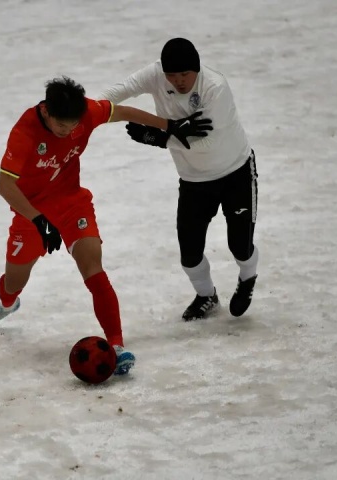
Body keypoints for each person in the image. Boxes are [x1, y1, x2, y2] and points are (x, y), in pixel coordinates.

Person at [0, 76, 211, 375]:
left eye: (73, 125)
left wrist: (170, 126)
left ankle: (117, 346)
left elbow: (122, 112)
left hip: (73, 204)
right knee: (13, 283)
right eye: (61, 126)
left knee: (94, 269)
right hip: (30, 211)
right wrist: (37, 219)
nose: (68, 131)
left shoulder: (86, 112)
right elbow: (4, 185)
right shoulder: (25, 132)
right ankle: (7, 304)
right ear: (45, 111)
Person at [100, 37, 259, 321]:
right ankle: (206, 296)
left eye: (185, 74)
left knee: (240, 246)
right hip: (193, 180)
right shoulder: (156, 74)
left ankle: (247, 277)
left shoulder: (215, 88)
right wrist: (83, 111)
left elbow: (208, 143)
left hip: (235, 172)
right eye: (172, 75)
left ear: (196, 70)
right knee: (189, 253)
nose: (178, 81)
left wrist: (158, 138)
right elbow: (119, 91)